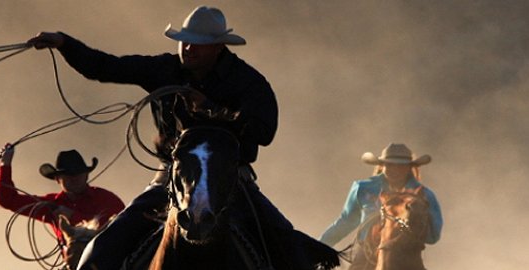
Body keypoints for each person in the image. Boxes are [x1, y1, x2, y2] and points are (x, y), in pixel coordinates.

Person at [26, 5, 323, 270]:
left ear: (218, 47)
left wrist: (212, 109)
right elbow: (106, 67)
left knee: (294, 253)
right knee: (98, 252)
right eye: (185, 41)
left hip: (231, 179)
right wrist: (65, 44)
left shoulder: (247, 81)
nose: (188, 49)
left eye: (198, 44)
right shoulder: (165, 69)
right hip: (170, 178)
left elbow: (265, 131)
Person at [320, 143, 443, 269]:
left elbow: (433, 236)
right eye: (390, 165)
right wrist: (319, 246)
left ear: (409, 167)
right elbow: (346, 221)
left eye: (401, 166)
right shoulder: (363, 189)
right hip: (367, 251)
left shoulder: (424, 195)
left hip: (409, 254)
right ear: (382, 166)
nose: (395, 170)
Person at [0, 144, 125, 253]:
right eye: (67, 175)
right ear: (57, 179)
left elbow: (119, 228)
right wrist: (5, 164)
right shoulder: (52, 204)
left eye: (78, 173)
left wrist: (72, 216)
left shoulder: (105, 198)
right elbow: (6, 199)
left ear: (86, 175)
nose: (74, 178)